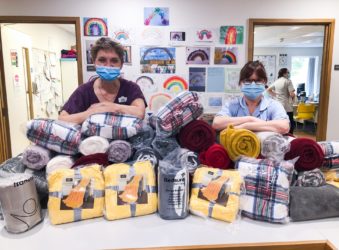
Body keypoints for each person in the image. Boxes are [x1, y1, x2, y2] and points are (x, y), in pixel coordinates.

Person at [59, 37, 147, 124]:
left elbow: (140, 113)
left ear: (121, 64)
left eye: (114, 60)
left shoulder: (131, 88)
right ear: (94, 63)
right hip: (93, 138)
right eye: (102, 60)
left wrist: (110, 108)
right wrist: (92, 112)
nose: (108, 65)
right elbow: (62, 119)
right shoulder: (84, 91)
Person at [212, 61, 290, 134]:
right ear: (240, 83)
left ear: (265, 82)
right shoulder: (232, 105)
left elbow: (284, 127)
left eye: (258, 80)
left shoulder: (273, 105)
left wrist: (246, 126)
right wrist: (249, 119)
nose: (253, 84)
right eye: (248, 81)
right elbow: (217, 123)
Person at [267, 68, 296, 134]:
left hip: (278, 106)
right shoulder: (288, 81)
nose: (289, 74)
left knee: (279, 125)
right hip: (287, 107)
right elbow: (292, 94)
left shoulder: (276, 81)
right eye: (288, 72)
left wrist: (275, 95)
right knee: (290, 125)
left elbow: (268, 90)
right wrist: (293, 99)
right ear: (284, 73)